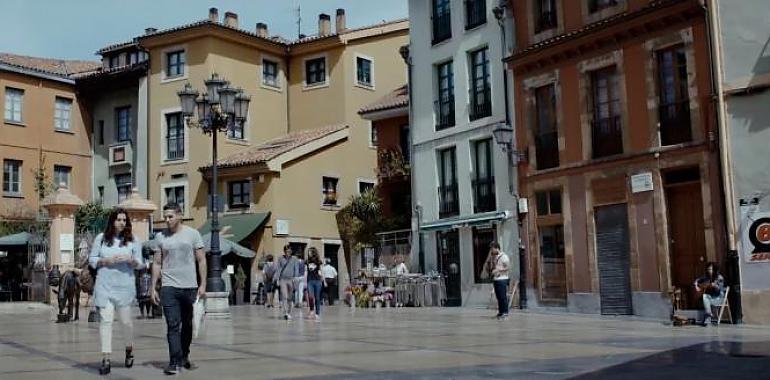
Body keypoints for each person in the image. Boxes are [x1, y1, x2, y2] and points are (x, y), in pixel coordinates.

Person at [150, 203, 207, 375]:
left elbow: (201, 260)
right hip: (169, 287)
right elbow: (157, 263)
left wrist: (203, 284)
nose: (167, 220)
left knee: (188, 325)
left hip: (189, 287)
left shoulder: (193, 234)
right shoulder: (160, 237)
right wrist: (153, 288)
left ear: (180, 216)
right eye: (165, 217)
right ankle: (174, 361)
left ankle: (184, 355)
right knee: (173, 325)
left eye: (170, 216)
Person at [88, 208, 145, 375]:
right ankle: (106, 358)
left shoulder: (134, 240)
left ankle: (129, 349)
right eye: (119, 219)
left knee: (126, 323)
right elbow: (92, 260)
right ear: (112, 221)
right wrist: (106, 260)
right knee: (106, 322)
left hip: (125, 287)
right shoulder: (101, 239)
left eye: (124, 220)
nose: (122, 222)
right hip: (104, 286)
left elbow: (141, 264)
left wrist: (131, 260)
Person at [694, 261, 726, 326]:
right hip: (710, 298)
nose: (709, 271)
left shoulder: (719, 277)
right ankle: (708, 315)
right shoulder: (707, 277)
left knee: (705, 297)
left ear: (714, 269)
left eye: (710, 269)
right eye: (708, 269)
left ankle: (708, 316)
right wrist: (696, 286)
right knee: (705, 296)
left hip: (718, 298)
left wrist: (715, 286)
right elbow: (697, 281)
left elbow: (720, 289)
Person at [485, 242, 510, 320]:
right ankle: (500, 312)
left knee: (503, 297)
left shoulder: (504, 256)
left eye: (492, 249)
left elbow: (508, 267)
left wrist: (498, 270)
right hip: (496, 279)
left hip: (502, 279)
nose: (491, 250)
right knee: (499, 297)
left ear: (497, 248)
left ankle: (505, 313)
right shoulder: (494, 257)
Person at [276, 245, 299, 320]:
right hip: (283, 279)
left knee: (290, 297)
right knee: (284, 296)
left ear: (291, 251)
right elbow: (278, 269)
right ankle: (285, 312)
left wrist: (295, 278)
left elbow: (296, 269)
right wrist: (277, 279)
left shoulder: (294, 259)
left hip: (291, 279)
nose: (287, 252)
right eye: (286, 251)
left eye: (289, 251)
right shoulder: (280, 258)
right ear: (284, 251)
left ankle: (289, 312)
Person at [305, 248, 324, 321]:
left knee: (317, 297)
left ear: (313, 252)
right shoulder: (307, 261)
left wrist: (323, 280)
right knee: (310, 296)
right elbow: (305, 271)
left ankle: (317, 313)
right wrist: (304, 281)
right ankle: (312, 310)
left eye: (309, 252)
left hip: (317, 281)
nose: (308, 253)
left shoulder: (319, 261)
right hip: (310, 280)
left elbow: (321, 270)